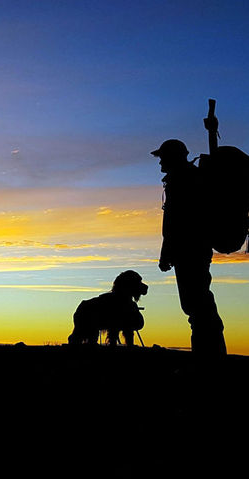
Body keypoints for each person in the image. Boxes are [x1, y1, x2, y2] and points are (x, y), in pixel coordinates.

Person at [151, 137, 227, 360]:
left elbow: (177, 221)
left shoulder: (183, 180)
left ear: (173, 157)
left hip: (190, 250)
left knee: (197, 305)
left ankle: (208, 358)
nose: (160, 163)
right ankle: (208, 355)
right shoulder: (189, 177)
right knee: (198, 303)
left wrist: (167, 253)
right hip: (194, 249)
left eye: (162, 158)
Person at [68, 270, 147, 347]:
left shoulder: (128, 304)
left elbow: (128, 329)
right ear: (130, 285)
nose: (143, 285)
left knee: (85, 340)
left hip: (84, 309)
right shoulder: (115, 302)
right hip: (85, 313)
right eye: (138, 282)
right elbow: (116, 328)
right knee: (84, 339)